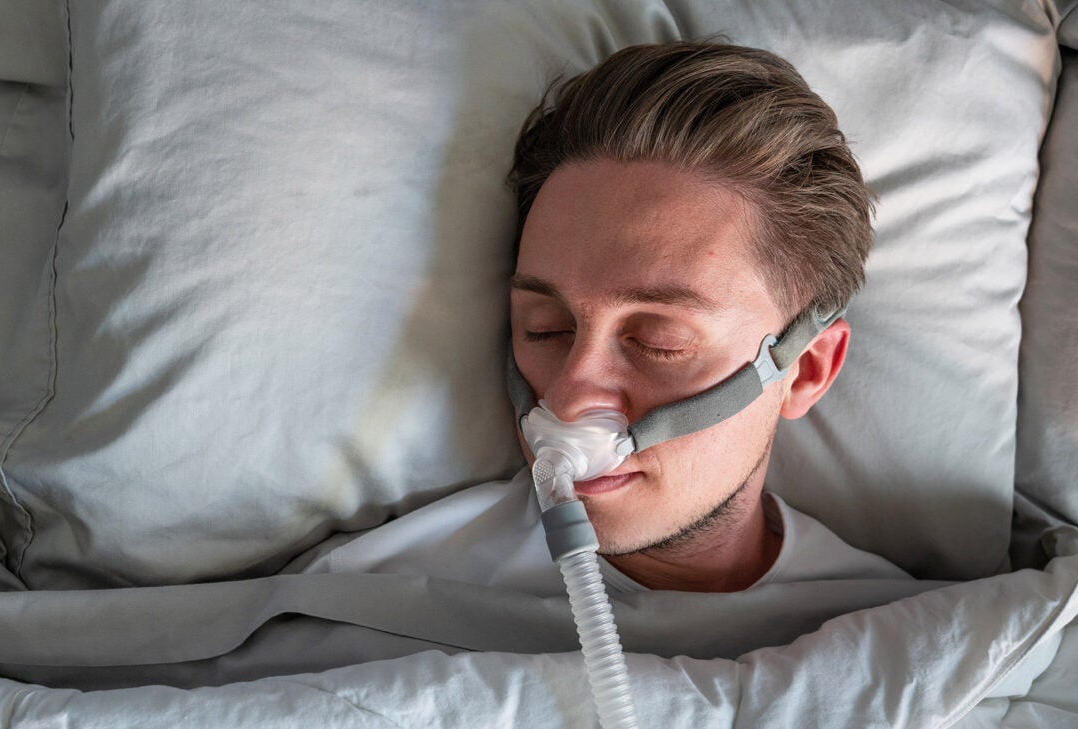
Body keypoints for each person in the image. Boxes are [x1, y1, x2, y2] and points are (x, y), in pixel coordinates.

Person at [293, 41, 908, 594]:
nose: (568, 398)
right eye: (547, 329)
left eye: (657, 339)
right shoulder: (368, 600)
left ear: (805, 371)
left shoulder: (906, 643)